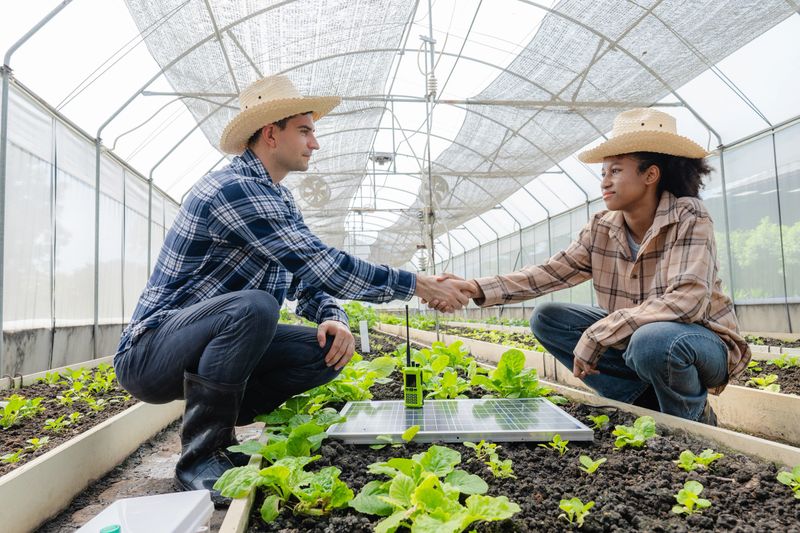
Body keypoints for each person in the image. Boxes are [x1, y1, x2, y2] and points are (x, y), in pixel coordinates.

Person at [113, 74, 468, 505]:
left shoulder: (277, 200)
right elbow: (324, 264)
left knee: (326, 349)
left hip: (200, 349)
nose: (314, 143)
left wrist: (334, 318)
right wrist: (416, 283)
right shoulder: (234, 189)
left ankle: (224, 418)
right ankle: (199, 458)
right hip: (150, 352)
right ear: (270, 133)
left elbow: (309, 279)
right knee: (254, 308)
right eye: (305, 130)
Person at [434, 108, 751, 425]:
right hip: (637, 338)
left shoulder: (688, 216)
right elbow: (549, 274)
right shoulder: (602, 226)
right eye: (603, 174)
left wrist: (600, 333)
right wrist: (475, 288)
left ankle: (692, 423)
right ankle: (644, 405)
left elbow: (687, 300)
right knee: (548, 319)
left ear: (650, 175)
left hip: (698, 342)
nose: (605, 182)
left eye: (615, 171)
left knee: (652, 341)